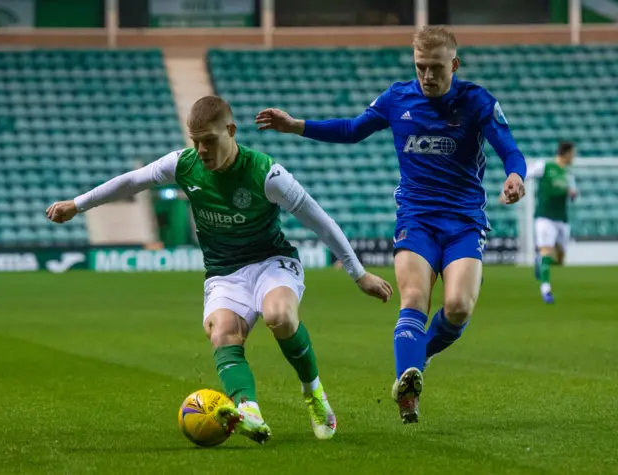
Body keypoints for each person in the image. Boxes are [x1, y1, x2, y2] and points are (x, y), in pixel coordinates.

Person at [46, 95, 393, 443]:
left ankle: (314, 394)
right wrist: (77, 205)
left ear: (231, 130)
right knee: (222, 332)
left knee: (280, 316)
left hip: (271, 262)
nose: (201, 150)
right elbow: (133, 181)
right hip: (224, 272)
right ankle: (248, 411)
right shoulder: (183, 165)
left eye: (209, 141)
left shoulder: (266, 174)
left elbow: (320, 221)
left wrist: (358, 273)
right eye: (195, 141)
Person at [255, 26, 527, 423]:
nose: (428, 76)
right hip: (415, 219)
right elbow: (352, 130)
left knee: (457, 307)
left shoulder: (478, 102)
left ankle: (421, 353)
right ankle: (407, 386)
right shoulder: (397, 97)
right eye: (421, 67)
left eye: (436, 68)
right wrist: (297, 125)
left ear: (455, 64)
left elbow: (511, 150)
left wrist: (515, 176)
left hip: (464, 222)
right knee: (415, 297)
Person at [504, 141, 577, 303]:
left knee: (560, 259)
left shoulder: (568, 173)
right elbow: (525, 174)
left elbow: (572, 193)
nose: (574, 157)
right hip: (545, 217)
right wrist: (511, 190)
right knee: (546, 251)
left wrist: (572, 194)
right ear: (566, 153)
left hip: (562, 218)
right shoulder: (545, 166)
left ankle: (540, 261)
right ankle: (546, 290)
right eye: (573, 153)